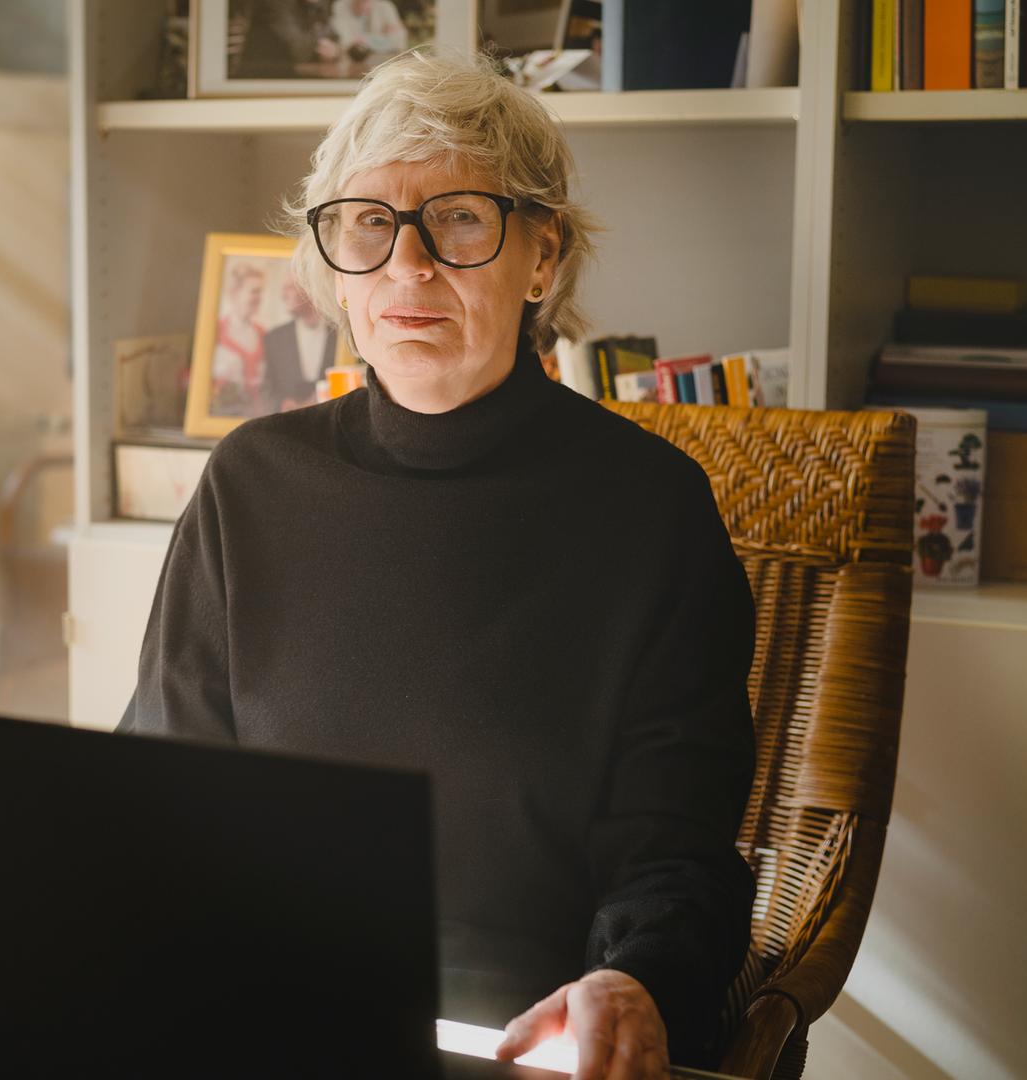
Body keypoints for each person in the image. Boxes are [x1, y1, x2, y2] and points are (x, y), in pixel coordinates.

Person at [118, 50, 756, 1079]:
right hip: (257, 1019)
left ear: (540, 258)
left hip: (514, 1044)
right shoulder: (251, 481)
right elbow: (162, 789)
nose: (408, 269)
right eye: (370, 223)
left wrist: (636, 981)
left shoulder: (650, 510)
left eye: (460, 219)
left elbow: (675, 857)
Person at [259, 280, 338, 412]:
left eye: (289, 287)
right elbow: (265, 388)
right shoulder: (274, 338)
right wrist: (283, 404)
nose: (283, 294)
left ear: (310, 289)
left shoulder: (340, 335)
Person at [209, 263, 269, 416]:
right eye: (254, 291)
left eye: (261, 292)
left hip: (256, 416)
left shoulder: (263, 334)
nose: (259, 298)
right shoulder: (215, 331)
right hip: (222, 414)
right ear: (235, 293)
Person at [328, 0, 409, 64]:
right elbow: (344, 41)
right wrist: (382, 38)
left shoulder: (385, 7)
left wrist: (364, 39)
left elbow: (399, 41)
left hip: (382, 65)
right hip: (350, 65)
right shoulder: (340, 6)